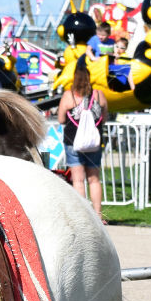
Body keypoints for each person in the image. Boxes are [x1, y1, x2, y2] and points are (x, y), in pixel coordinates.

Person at [57, 57, 108, 219]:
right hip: (94, 143)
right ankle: (98, 215)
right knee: (94, 179)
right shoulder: (99, 95)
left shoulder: (69, 96)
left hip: (73, 142)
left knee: (78, 180)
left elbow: (61, 120)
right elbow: (104, 118)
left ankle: (84, 216)